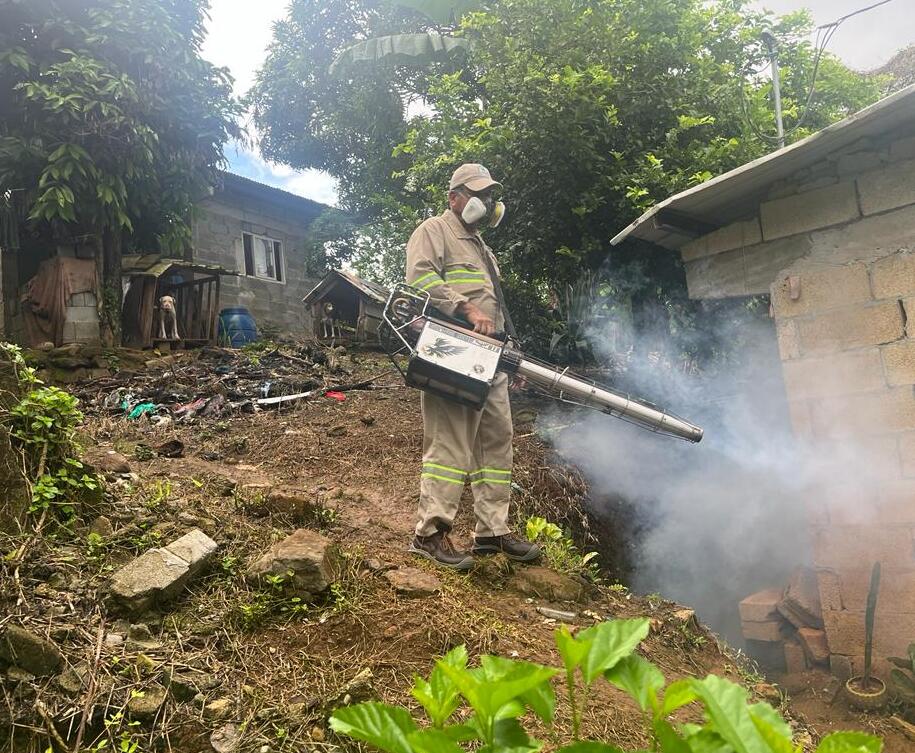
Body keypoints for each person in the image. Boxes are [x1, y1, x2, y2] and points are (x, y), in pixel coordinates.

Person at [405, 163, 541, 569]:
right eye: (477, 194)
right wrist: (463, 306)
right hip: (454, 351)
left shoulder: (484, 249)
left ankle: (492, 532)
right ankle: (429, 534)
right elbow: (419, 280)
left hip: (491, 358)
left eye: (489, 195)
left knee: (496, 442)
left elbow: (494, 310)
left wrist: (510, 354)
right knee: (450, 444)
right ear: (454, 198)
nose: (485, 202)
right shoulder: (434, 231)